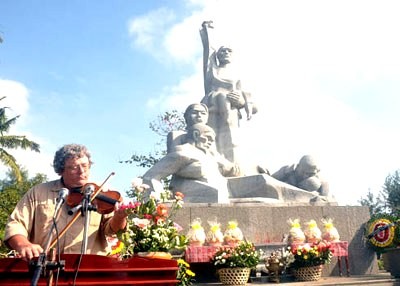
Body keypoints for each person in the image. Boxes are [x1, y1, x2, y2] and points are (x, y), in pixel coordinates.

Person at [3, 143, 128, 260]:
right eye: (74, 167)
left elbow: (112, 230)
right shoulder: (38, 192)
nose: (82, 171)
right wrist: (23, 244)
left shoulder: (101, 194)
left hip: (90, 267)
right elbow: (16, 224)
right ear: (61, 170)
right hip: (46, 265)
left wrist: (120, 217)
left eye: (85, 166)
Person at [199, 21, 257, 164]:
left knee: (230, 138)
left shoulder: (238, 74)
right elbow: (208, 52)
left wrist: (242, 102)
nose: (225, 53)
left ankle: (232, 166)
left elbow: (252, 104)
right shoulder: (212, 71)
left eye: (228, 51)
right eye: (222, 51)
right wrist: (208, 32)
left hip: (229, 110)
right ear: (217, 56)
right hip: (211, 108)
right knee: (210, 138)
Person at [143, 123, 241, 203]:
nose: (211, 142)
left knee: (256, 184)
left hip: (226, 187)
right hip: (201, 192)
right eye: (208, 138)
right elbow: (150, 176)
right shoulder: (183, 153)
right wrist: (160, 200)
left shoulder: (209, 156)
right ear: (195, 134)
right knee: (216, 194)